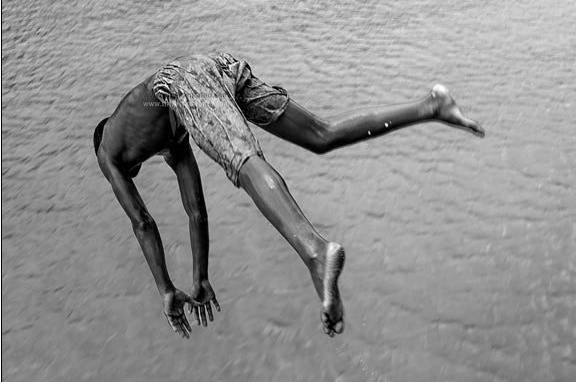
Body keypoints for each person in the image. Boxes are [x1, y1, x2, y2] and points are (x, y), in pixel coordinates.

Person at [93, 52, 484, 339]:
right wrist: (200, 279)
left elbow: (142, 222)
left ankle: (315, 251)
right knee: (320, 135)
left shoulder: (107, 150)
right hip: (219, 67)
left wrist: (164, 289)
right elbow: (196, 211)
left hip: (185, 79)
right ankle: (432, 106)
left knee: (241, 160)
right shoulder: (174, 139)